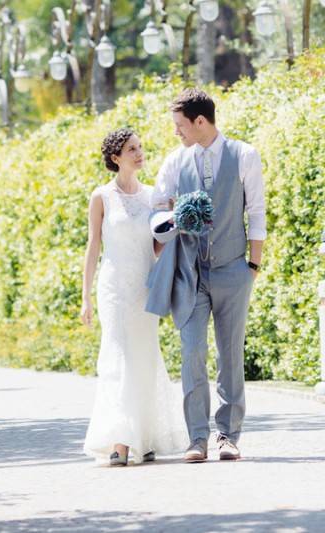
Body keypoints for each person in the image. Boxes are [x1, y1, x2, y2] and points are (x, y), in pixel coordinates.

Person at [147, 88, 266, 463]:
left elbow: (257, 213)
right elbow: (156, 214)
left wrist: (253, 267)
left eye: (180, 126)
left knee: (230, 354)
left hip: (234, 269)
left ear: (201, 121)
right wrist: (173, 220)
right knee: (192, 350)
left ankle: (228, 436)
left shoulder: (244, 155)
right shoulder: (173, 162)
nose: (176, 133)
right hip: (189, 272)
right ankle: (196, 438)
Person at [82, 128, 187, 466]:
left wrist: (175, 225)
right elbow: (93, 247)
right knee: (117, 358)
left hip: (145, 287)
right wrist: (85, 297)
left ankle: (144, 435)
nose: (140, 154)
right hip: (113, 288)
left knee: (143, 357)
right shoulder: (101, 196)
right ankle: (120, 441)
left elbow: (157, 245)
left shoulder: (154, 195)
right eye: (132, 149)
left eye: (141, 147)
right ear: (116, 158)